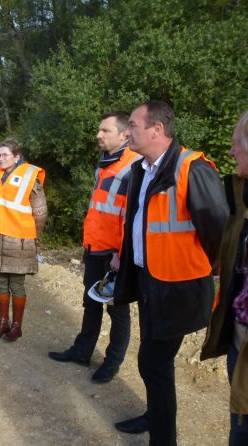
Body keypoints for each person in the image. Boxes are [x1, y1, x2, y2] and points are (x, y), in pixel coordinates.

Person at [112, 101, 228, 445]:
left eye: (132, 125)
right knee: (154, 360)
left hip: (179, 286)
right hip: (149, 280)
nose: (127, 131)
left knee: (152, 361)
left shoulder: (192, 168)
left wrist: (204, 271)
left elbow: (219, 232)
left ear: (156, 130)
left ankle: (164, 439)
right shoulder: (140, 169)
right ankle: (154, 416)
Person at [49, 112, 138, 383]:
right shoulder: (105, 164)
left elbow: (132, 216)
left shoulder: (134, 166)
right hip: (95, 247)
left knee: (117, 309)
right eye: (99, 130)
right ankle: (82, 351)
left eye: (105, 130)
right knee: (91, 301)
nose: (98, 135)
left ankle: (112, 363)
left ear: (124, 134)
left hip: (114, 255)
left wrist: (121, 254)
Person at [201, 110, 248, 446]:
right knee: (240, 428)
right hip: (239, 338)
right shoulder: (239, 194)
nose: (230, 152)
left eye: (237, 145)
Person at [0, 139, 47, 341]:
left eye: (5, 155)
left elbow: (41, 211)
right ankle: (3, 322)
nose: (1, 158)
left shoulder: (30, 176)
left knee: (17, 285)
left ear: (16, 156)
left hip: (20, 238)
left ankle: (17, 326)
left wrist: (35, 236)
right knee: (0, 282)